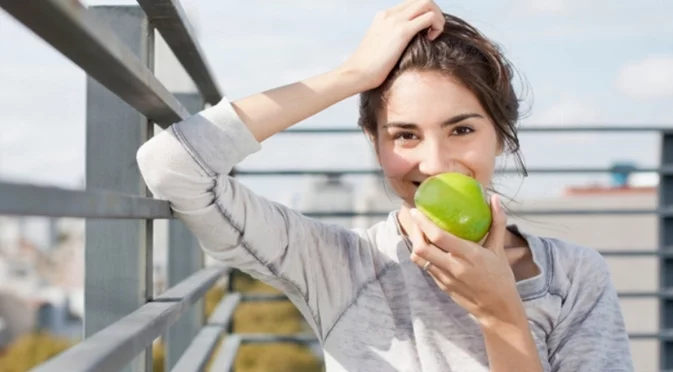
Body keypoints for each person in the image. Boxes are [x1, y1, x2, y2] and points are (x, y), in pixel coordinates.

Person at [136, 0, 635, 370]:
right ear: (374, 142)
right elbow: (172, 165)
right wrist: (352, 75)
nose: (435, 162)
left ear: (501, 136)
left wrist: (502, 315)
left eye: (461, 129)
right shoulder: (340, 265)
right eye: (405, 135)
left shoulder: (574, 278)